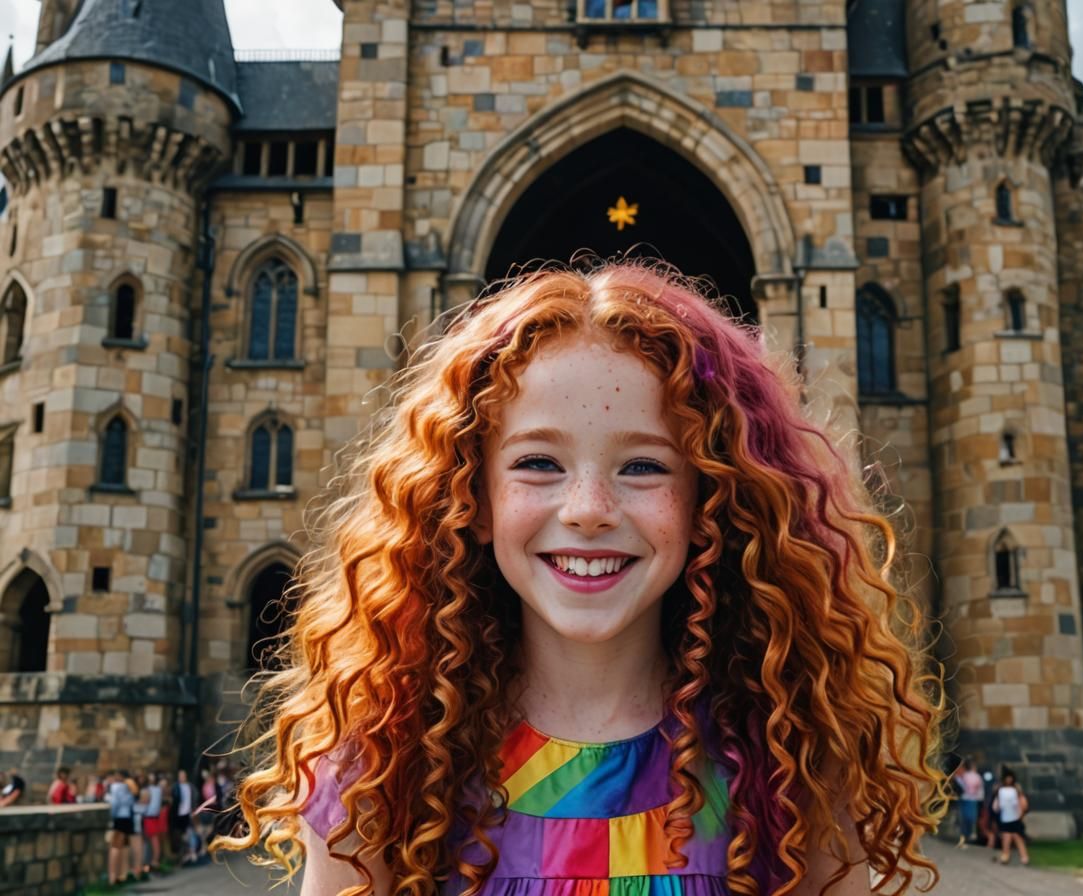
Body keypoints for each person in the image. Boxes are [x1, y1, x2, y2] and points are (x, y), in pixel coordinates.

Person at [219, 263, 947, 894]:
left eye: (644, 466)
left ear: (711, 500)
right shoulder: (383, 769)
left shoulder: (788, 763)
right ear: (472, 498)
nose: (589, 509)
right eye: (538, 463)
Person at [992, 770, 1030, 866]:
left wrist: (1020, 814)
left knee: (1017, 837)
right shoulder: (1000, 789)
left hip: (1015, 817)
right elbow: (997, 805)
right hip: (1005, 817)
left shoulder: (1016, 789)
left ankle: (1024, 856)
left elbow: (1022, 803)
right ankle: (1006, 855)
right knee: (1006, 837)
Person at [106, 770, 136, 886]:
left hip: (119, 818)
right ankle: (123, 874)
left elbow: (115, 804)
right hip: (128, 817)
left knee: (115, 847)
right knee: (124, 847)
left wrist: (111, 817)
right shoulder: (129, 787)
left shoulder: (116, 787)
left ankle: (112, 877)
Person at [952, 758, 983, 847]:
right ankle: (965, 836)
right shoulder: (970, 776)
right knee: (967, 818)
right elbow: (980, 789)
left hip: (970, 799)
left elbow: (979, 788)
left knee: (967, 818)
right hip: (967, 799)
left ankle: (965, 836)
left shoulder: (972, 776)